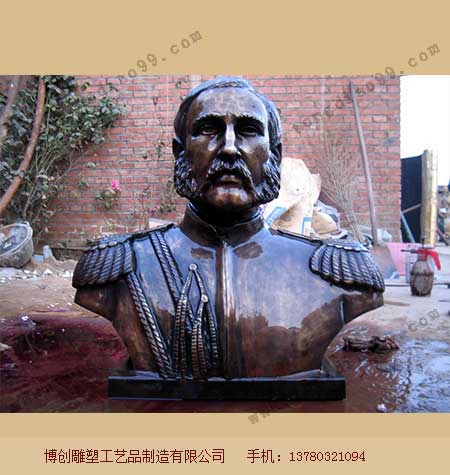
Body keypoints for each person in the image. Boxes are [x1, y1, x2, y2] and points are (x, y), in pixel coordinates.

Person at [73, 77, 384, 382]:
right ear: (180, 152)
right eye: (209, 129)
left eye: (249, 131)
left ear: (274, 154)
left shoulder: (331, 274)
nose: (230, 148)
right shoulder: (124, 266)